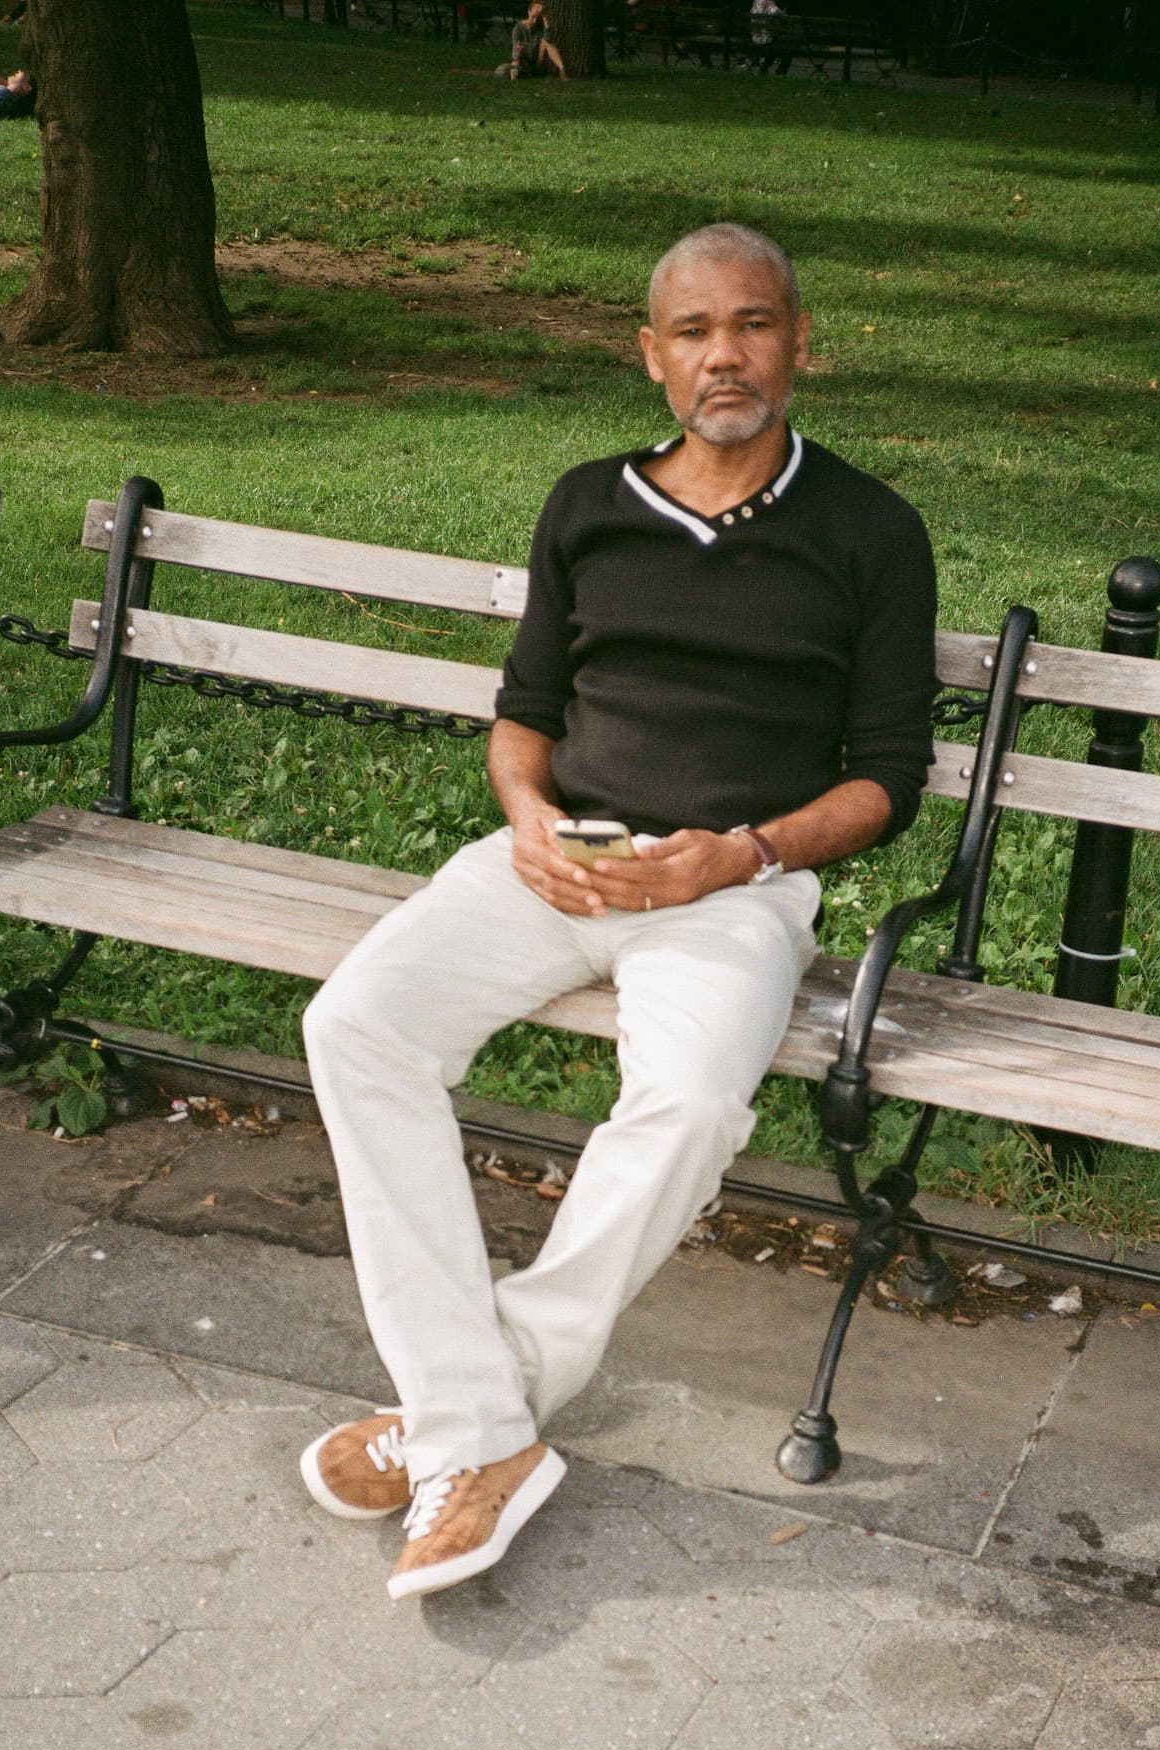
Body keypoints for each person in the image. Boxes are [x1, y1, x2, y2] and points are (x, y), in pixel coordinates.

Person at [299, 224, 937, 1599]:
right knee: (357, 1027)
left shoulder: (872, 533)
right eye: (696, 332)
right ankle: (480, 1428)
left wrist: (738, 856)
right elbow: (524, 716)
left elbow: (889, 779)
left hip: (732, 889)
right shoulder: (589, 503)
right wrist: (527, 822)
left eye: (755, 326)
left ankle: (468, 1423)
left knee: (695, 1104)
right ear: (652, 358)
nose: (728, 355)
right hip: (559, 857)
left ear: (800, 344)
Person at [497, 4, 566, 79]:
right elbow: (515, 52)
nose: (535, 20)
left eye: (538, 17)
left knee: (547, 42)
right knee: (503, 71)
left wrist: (544, 16)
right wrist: (516, 60)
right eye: (534, 15)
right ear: (529, 12)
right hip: (523, 62)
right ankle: (521, 74)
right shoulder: (518, 29)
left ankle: (562, 71)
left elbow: (548, 38)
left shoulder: (540, 27)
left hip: (538, 62)